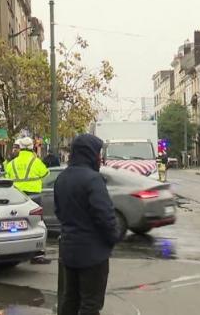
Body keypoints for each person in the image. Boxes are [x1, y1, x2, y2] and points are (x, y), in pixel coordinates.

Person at [55, 134, 119, 315]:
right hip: (93, 255)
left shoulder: (62, 178)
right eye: (98, 153)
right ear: (90, 153)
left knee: (70, 300)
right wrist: (112, 238)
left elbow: (59, 212)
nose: (100, 157)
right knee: (90, 304)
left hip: (69, 252)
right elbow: (105, 217)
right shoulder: (93, 179)